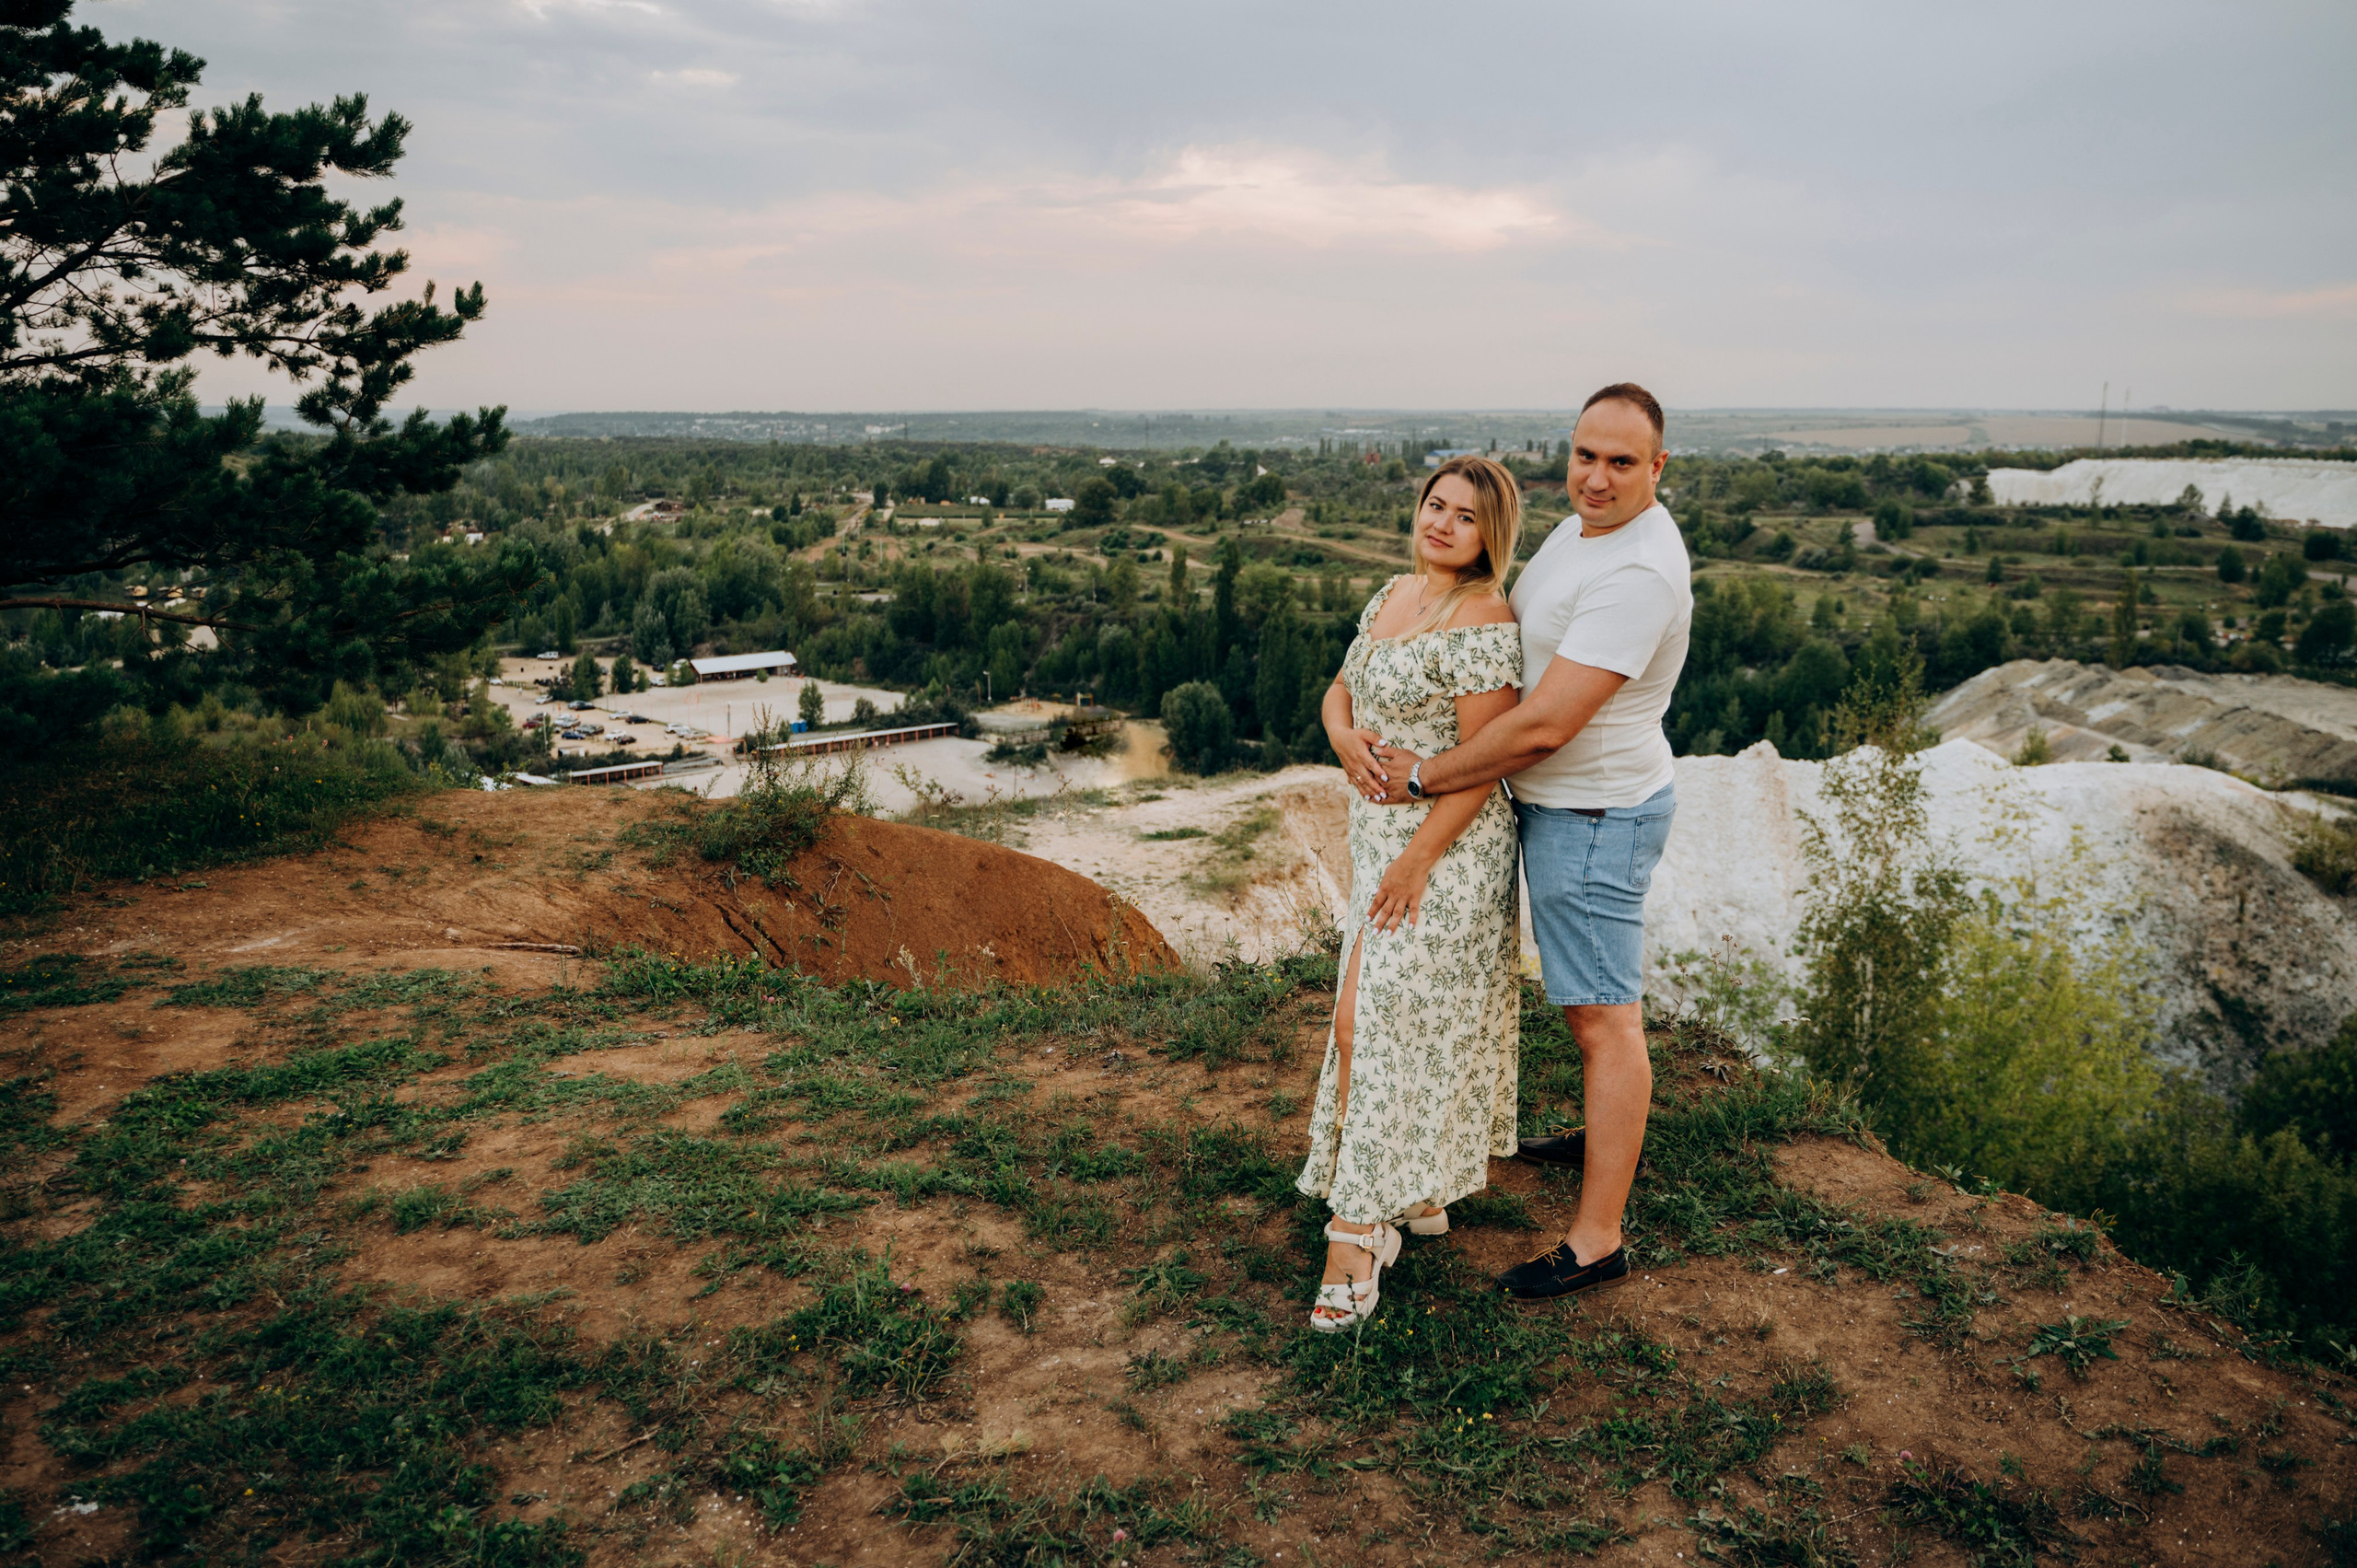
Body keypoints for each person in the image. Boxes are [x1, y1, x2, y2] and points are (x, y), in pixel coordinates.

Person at [1367, 383, 1691, 1303]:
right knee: (1589, 1008)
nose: (1595, 476)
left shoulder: (1637, 573)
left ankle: (1596, 1239)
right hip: (1566, 806)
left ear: (1657, 468)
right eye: (1584, 454)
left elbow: (1547, 723)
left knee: (1602, 1017)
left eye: (1621, 462)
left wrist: (1428, 773)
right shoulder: (1584, 532)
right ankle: (1606, 1134)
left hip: (1593, 815)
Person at [1297, 455, 1526, 1332]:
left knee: (1377, 1022)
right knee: (1382, 1019)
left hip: (1448, 849)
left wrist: (1419, 859)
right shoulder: (1393, 591)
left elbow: (1487, 760)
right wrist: (1342, 737)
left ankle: (1354, 1237)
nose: (1441, 524)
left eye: (1465, 517)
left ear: (1488, 535)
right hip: (1379, 836)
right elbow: (1339, 690)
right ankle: (1416, 1192)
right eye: (1436, 505)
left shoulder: (1485, 618)